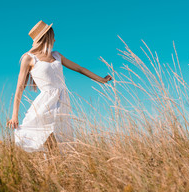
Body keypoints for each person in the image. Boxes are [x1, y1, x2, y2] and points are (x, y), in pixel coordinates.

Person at [6, 20, 112, 156]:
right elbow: (19, 87)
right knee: (46, 137)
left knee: (60, 139)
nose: (55, 39)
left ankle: (54, 168)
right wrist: (14, 115)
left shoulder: (57, 55)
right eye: (53, 36)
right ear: (47, 37)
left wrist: (101, 80)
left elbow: (79, 68)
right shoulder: (29, 58)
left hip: (62, 101)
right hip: (45, 102)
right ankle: (51, 167)